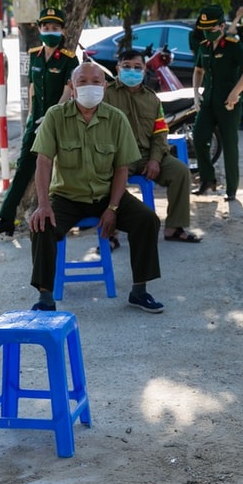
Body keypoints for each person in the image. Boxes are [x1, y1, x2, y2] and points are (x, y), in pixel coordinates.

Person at [28, 62, 165, 313]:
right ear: (71, 87)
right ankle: (45, 297)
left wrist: (113, 207)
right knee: (41, 224)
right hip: (67, 196)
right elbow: (43, 161)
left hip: (107, 194)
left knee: (147, 220)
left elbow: (122, 168)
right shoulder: (55, 116)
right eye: (82, 82)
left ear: (105, 86)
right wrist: (43, 204)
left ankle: (139, 290)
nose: (89, 86)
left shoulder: (116, 118)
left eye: (95, 81)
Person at [0, 7, 78, 236]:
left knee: (60, 172)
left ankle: (61, 218)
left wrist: (54, 113)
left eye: (55, 28)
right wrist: (29, 118)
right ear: (39, 29)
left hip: (58, 123)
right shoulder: (34, 54)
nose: (50, 31)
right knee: (23, 169)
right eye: (46, 27)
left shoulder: (69, 59)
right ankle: (6, 219)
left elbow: (70, 89)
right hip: (35, 123)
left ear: (62, 31)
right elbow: (33, 88)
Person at [104, 49, 201, 243]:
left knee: (180, 172)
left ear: (144, 69)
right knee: (106, 178)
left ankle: (173, 228)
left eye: (137, 67)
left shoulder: (152, 99)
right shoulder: (106, 95)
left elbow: (160, 132)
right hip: (119, 157)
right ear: (118, 68)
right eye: (127, 67)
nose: (132, 71)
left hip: (148, 155)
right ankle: (111, 233)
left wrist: (156, 159)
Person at [191, 4, 243, 201]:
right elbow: (199, 70)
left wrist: (236, 92)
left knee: (229, 144)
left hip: (229, 102)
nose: (207, 33)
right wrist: (196, 93)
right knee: (199, 137)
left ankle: (231, 188)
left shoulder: (233, 45)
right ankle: (208, 179)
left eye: (211, 29)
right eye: (204, 30)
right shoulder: (204, 46)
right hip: (209, 99)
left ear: (221, 26)